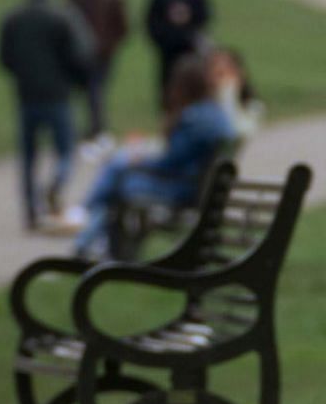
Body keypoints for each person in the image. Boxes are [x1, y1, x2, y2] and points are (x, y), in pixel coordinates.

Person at [72, 52, 240, 259]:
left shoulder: (194, 118)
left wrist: (140, 161)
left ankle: (88, 230)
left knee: (119, 176)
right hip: (194, 186)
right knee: (120, 169)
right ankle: (90, 235)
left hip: (181, 189)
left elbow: (170, 162)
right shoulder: (215, 115)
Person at [0, 0, 95, 230]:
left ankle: (30, 211)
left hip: (26, 94)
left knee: (29, 156)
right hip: (57, 94)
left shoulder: (14, 18)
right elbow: (81, 53)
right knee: (65, 151)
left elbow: (4, 57)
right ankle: (55, 185)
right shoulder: (64, 15)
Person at [65, 0, 128, 147]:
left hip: (103, 55)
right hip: (79, 55)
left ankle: (97, 130)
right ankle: (83, 130)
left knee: (96, 92)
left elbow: (122, 26)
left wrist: (109, 46)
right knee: (81, 93)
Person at [145, 0, 211, 111]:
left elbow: (203, 19)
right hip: (168, 52)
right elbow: (152, 21)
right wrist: (163, 38)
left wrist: (189, 36)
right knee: (167, 86)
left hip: (189, 51)